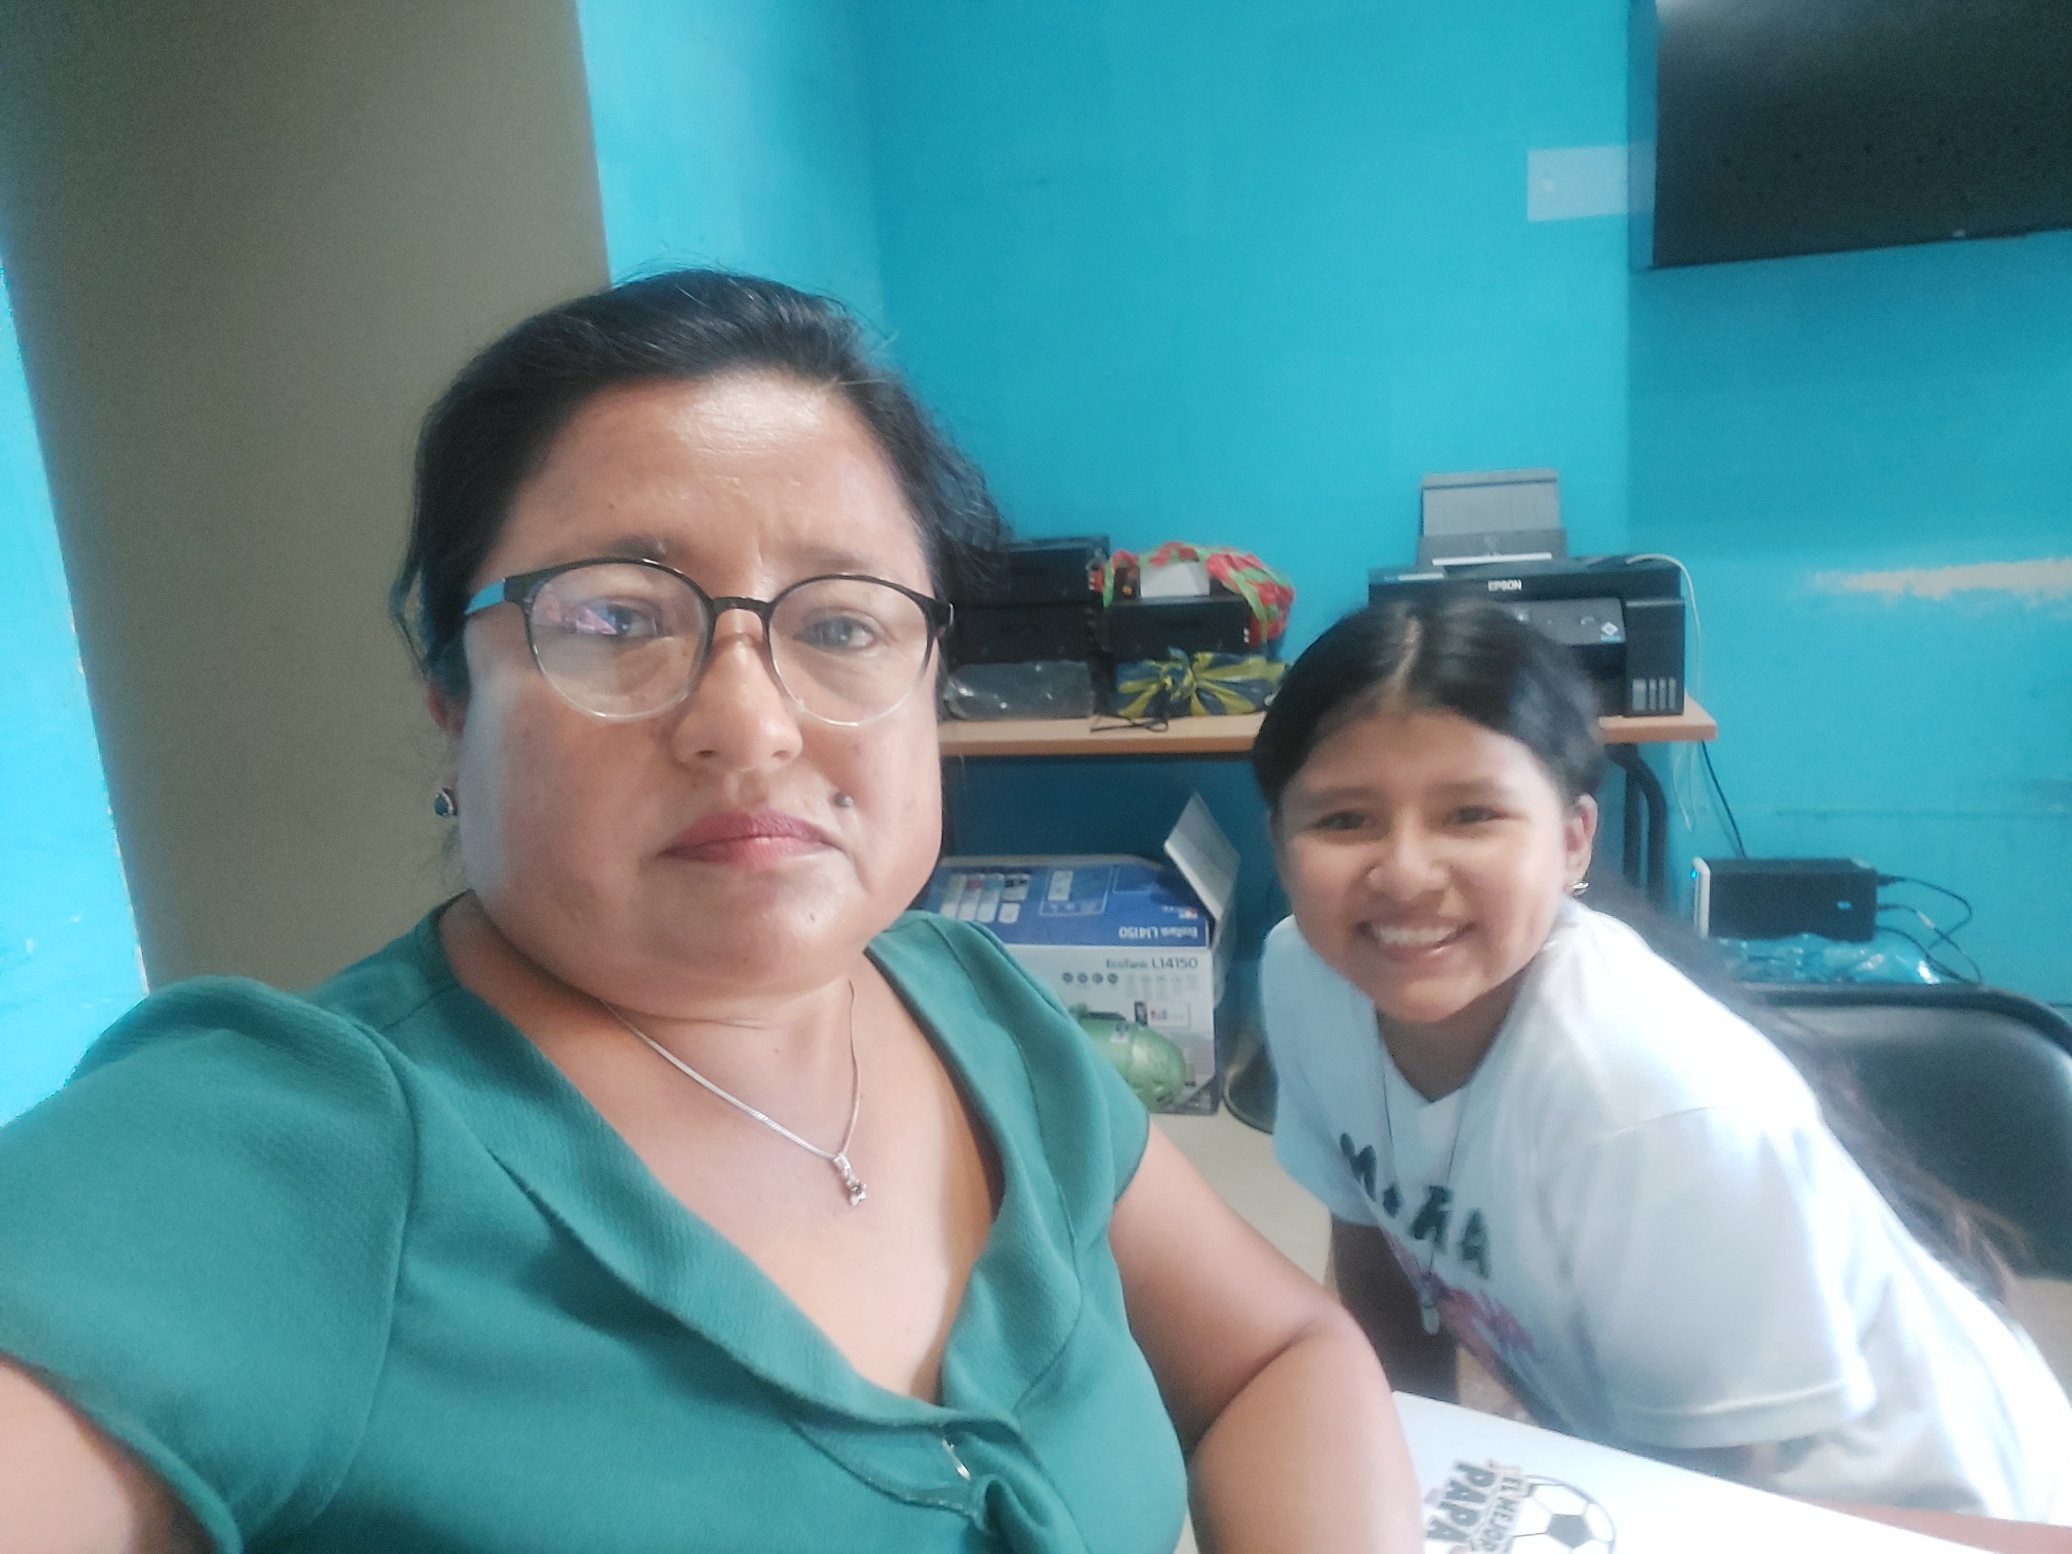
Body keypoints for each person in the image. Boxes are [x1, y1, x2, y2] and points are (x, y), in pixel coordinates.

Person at [0, 271, 1422, 1553]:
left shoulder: (977, 1004)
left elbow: (1277, 1356)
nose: (750, 724)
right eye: (617, 618)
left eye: (842, 622)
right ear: (452, 703)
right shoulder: (287, 1149)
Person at [1252, 599, 2072, 1518]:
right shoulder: (1306, 978)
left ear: (1572, 841)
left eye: (1471, 814)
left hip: (1922, 1509)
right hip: (1657, 1463)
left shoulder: (1646, 1096)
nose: (1405, 873)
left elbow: (1700, 1493)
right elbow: (1372, 1249)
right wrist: (1404, 1481)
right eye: (1346, 820)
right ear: (1279, 845)